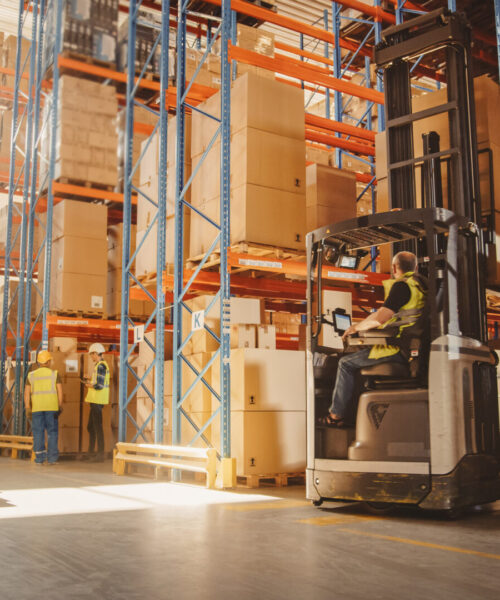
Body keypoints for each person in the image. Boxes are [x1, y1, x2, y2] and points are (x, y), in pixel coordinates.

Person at [320, 251, 428, 427]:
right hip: (411, 347)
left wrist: (355, 328)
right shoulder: (421, 286)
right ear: (415, 267)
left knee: (345, 364)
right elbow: (386, 316)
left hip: (398, 348)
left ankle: (335, 416)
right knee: (355, 356)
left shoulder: (402, 286)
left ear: (394, 268)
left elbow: (380, 318)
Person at [24, 350, 63, 465]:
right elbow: (60, 392)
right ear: (49, 361)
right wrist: (60, 406)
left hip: (37, 408)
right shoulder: (55, 374)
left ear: (39, 362)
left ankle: (39, 459)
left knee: (38, 433)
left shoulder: (31, 375)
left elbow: (27, 394)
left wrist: (27, 407)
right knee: (52, 432)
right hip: (52, 408)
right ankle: (51, 459)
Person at [83, 342, 110, 462]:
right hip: (95, 400)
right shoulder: (99, 365)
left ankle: (99, 454)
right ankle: (91, 452)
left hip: (98, 400)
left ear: (95, 353)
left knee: (97, 427)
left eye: (91, 354)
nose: (91, 357)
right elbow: (98, 381)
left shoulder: (101, 366)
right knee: (91, 427)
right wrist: (90, 379)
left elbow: (99, 385)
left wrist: (89, 385)